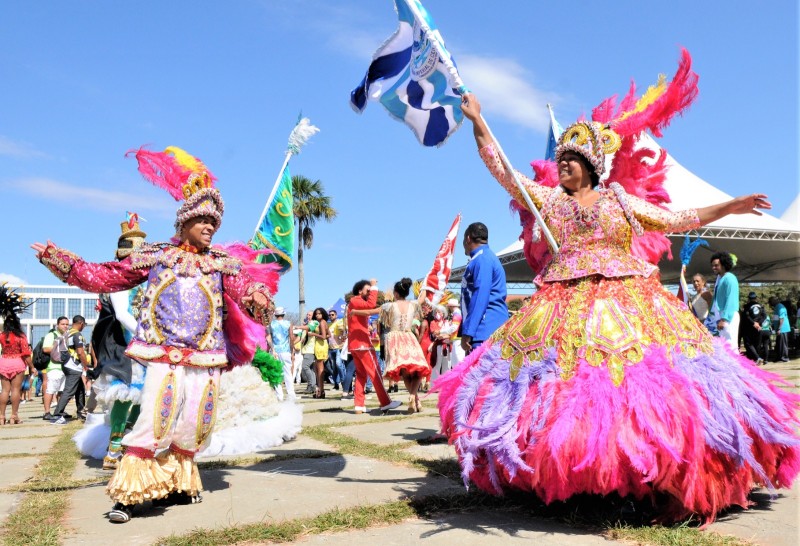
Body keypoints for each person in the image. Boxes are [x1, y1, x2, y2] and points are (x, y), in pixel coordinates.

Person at [435, 81, 800, 523]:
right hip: (561, 304)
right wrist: (477, 122)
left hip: (629, 302)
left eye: (570, 159)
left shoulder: (620, 200)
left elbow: (677, 218)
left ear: (590, 164)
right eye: (560, 159)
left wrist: (730, 206)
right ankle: (580, 477)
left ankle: (643, 476)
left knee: (637, 388)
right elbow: (503, 171)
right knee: (566, 391)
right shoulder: (550, 200)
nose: (562, 164)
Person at [32, 145, 275, 523]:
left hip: (206, 357)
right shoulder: (158, 255)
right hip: (163, 354)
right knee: (154, 421)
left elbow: (247, 293)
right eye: (203, 220)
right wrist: (61, 260)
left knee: (196, 423)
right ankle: (129, 495)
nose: (210, 227)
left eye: (215, 222)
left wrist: (259, 298)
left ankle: (177, 483)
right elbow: (106, 276)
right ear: (184, 222)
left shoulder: (223, 264)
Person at [354, 278, 430, 413]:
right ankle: (414, 396)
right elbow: (423, 297)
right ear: (406, 292)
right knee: (418, 369)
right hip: (409, 336)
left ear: (395, 294)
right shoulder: (413, 304)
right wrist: (426, 283)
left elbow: (369, 312)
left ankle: (414, 398)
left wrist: (354, 312)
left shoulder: (388, 306)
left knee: (405, 373)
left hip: (395, 339)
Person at [346, 279, 401, 415]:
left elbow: (370, 309)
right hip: (362, 344)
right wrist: (375, 286)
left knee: (361, 375)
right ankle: (385, 402)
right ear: (360, 291)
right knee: (375, 373)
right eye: (368, 290)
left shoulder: (356, 303)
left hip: (356, 344)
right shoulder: (355, 300)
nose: (370, 293)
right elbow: (371, 305)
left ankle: (359, 405)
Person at [459, 222, 508, 355]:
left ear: (468, 238)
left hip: (484, 332)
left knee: (479, 375)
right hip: (486, 331)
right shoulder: (484, 257)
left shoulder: (482, 259)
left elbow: (480, 295)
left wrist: (469, 331)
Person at [0, 286, 36, 425]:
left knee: (4, 390)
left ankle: (1, 417)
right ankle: (14, 416)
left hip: (3, 362)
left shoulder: (2, 335)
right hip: (17, 362)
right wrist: (32, 367)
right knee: (16, 389)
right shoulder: (21, 336)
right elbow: (26, 354)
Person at [50, 315, 91, 424]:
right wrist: (86, 365)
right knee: (69, 390)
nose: (83, 327)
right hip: (74, 366)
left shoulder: (67, 333)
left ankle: (81, 411)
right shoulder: (77, 335)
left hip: (66, 364)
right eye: (84, 325)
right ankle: (57, 414)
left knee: (80, 390)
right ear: (81, 323)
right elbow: (80, 352)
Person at [710, 252, 740, 352]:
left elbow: (731, 299)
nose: (713, 267)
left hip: (728, 316)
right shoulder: (720, 278)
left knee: (730, 345)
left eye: (716, 265)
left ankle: (735, 367)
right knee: (724, 346)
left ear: (724, 264)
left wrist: (724, 319)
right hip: (721, 316)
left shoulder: (730, 278)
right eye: (712, 265)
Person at [267, 307, 296, 401]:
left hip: (275, 351)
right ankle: (291, 394)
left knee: (276, 373)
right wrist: (292, 350)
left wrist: (272, 349)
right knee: (288, 373)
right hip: (285, 350)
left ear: (275, 314)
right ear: (283, 314)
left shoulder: (271, 324)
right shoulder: (288, 323)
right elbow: (291, 338)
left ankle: (279, 395)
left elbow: (269, 338)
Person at [742, 292, 769, 364]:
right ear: (756, 298)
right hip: (758, 328)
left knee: (748, 344)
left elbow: (746, 316)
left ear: (749, 298)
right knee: (757, 344)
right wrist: (759, 323)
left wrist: (754, 323)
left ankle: (757, 358)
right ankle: (756, 359)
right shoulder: (761, 306)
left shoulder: (747, 306)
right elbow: (764, 316)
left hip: (750, 328)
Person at [327, 309, 346, 390]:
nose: (331, 316)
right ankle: (336, 384)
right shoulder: (328, 325)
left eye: (332, 315)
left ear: (336, 315)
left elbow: (344, 331)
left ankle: (344, 382)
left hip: (339, 347)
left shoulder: (339, 322)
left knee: (339, 364)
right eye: (330, 315)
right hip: (331, 348)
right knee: (334, 367)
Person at [769, 296, 791, 362]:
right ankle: (779, 357)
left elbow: (782, 318)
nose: (770, 303)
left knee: (783, 344)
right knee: (779, 344)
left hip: (782, 329)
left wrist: (779, 328)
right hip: (779, 329)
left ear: (774, 300)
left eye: (771, 302)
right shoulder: (777, 307)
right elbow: (776, 318)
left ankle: (784, 358)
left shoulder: (780, 307)